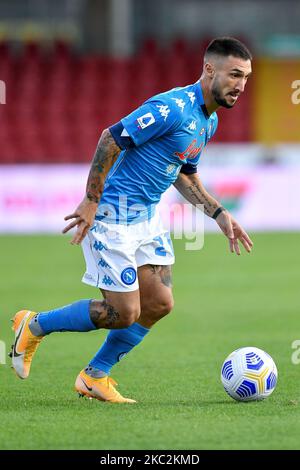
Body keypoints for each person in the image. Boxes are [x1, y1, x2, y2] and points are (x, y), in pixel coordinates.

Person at [10, 37, 253, 403]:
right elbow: (111, 138)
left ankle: (94, 377)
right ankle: (34, 324)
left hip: (147, 219)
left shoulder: (208, 122)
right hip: (113, 217)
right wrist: (91, 200)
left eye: (246, 78)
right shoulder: (172, 107)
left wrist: (218, 213)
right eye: (235, 74)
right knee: (123, 313)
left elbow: (182, 174)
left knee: (159, 304)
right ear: (209, 69)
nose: (241, 85)